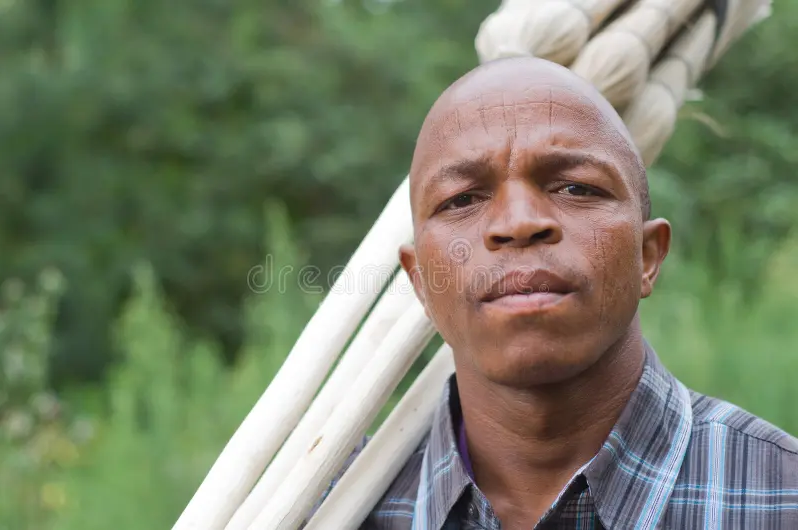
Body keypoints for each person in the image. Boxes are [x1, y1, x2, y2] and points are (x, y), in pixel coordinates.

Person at [317, 57, 798, 529]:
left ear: (647, 255)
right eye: (462, 199)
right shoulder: (321, 509)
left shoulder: (782, 499)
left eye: (575, 188)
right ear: (421, 281)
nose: (519, 222)